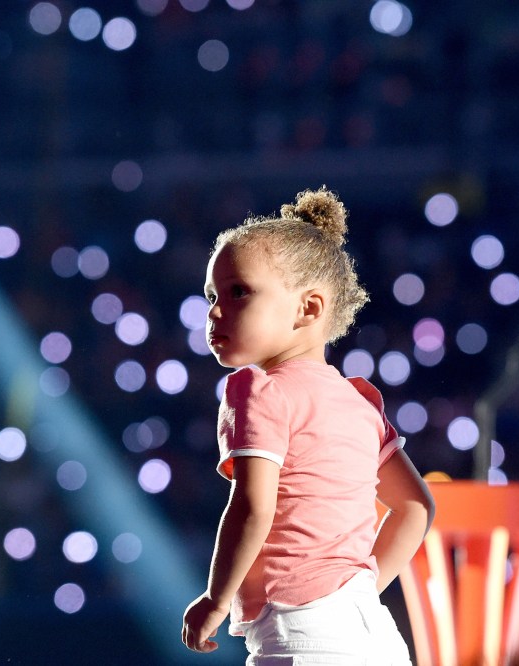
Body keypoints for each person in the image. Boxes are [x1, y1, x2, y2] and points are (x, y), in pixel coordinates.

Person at [181, 187, 435, 665]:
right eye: (212, 295)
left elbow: (253, 508)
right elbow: (416, 508)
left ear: (310, 308)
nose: (214, 311)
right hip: (377, 635)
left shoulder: (256, 389)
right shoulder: (360, 402)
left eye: (239, 292)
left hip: (302, 638)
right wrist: (350, 591)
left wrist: (216, 599)